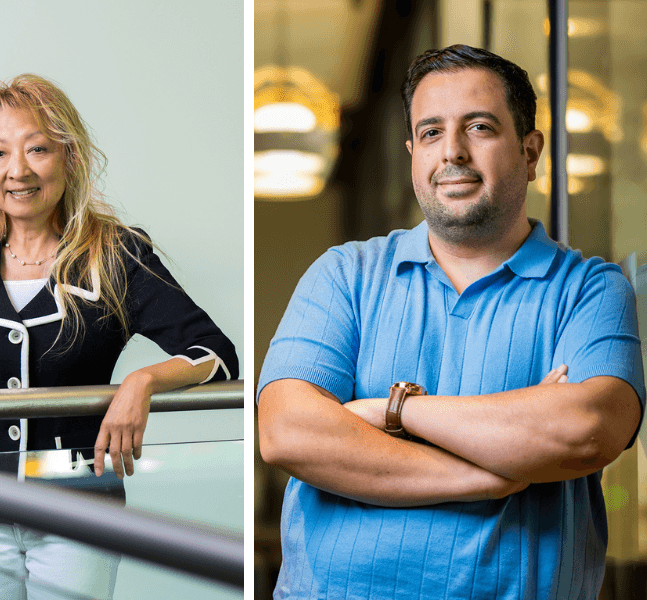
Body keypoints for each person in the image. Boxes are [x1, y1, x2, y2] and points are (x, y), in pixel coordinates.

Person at [257, 44, 645, 599]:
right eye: (432, 132)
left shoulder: (589, 290)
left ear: (530, 153)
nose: (453, 153)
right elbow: (286, 431)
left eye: (480, 127)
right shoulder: (345, 276)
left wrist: (395, 410)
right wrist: (491, 476)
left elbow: (583, 431)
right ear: (413, 152)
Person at [0, 74, 238, 600]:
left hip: (80, 513)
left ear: (69, 157)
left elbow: (218, 355)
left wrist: (144, 381)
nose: (17, 171)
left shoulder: (117, 256)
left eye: (37, 148)